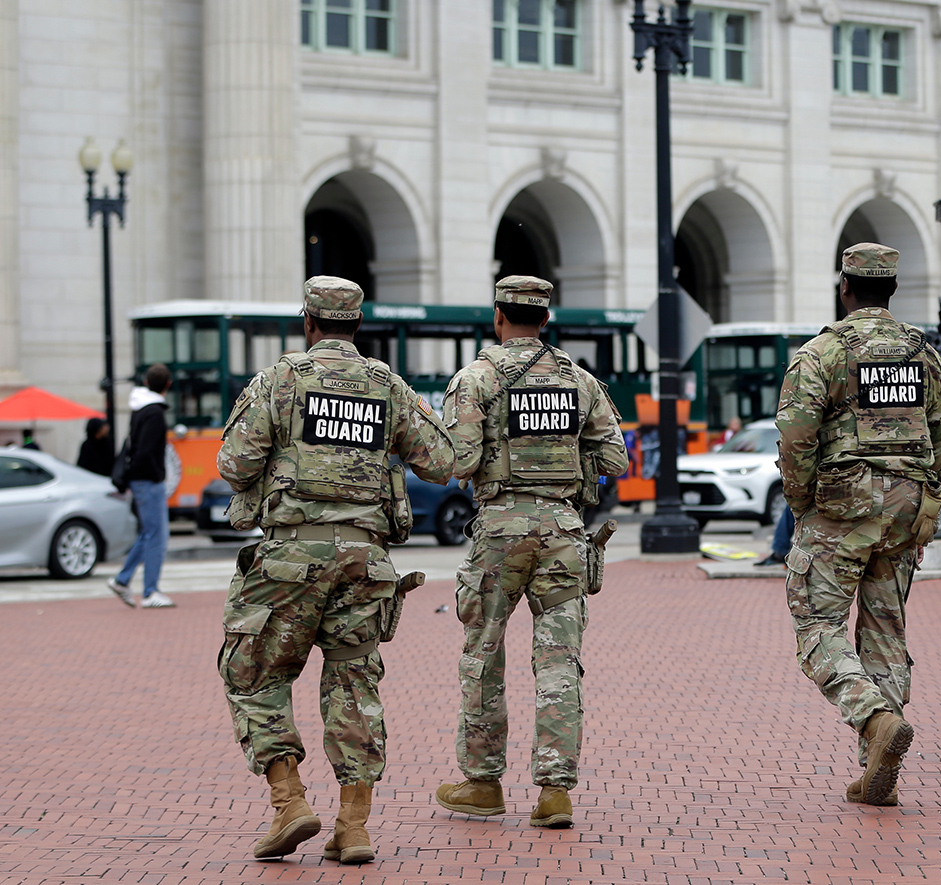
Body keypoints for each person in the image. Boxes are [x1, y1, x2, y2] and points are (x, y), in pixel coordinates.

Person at [215, 276, 454, 863]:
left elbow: (232, 462)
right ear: (358, 324)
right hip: (366, 561)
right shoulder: (388, 388)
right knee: (353, 684)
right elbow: (442, 463)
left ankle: (289, 800)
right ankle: (354, 827)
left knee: (252, 672)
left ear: (308, 321)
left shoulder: (280, 380)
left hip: (292, 557)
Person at [435, 275, 628, 829]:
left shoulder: (476, 378)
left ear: (498, 316)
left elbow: (460, 462)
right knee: (559, 664)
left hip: (498, 529)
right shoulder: (579, 380)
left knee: (483, 657)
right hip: (565, 531)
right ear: (545, 320)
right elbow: (615, 458)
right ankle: (554, 793)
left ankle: (482, 784)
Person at [776, 243, 941, 807]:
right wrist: (926, 503)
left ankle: (874, 719)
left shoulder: (823, 353)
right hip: (906, 505)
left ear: (845, 287)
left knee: (817, 624)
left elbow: (797, 437)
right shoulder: (924, 356)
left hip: (841, 506)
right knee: (885, 632)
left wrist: (802, 504)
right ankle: (878, 764)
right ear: (893, 290)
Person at [108, 365, 175, 609]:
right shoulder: (155, 413)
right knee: (157, 535)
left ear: (146, 381)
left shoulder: (139, 409)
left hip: (140, 480)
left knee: (148, 533)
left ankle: (123, 579)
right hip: (149, 481)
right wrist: (158, 475)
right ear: (167, 385)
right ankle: (150, 591)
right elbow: (146, 452)